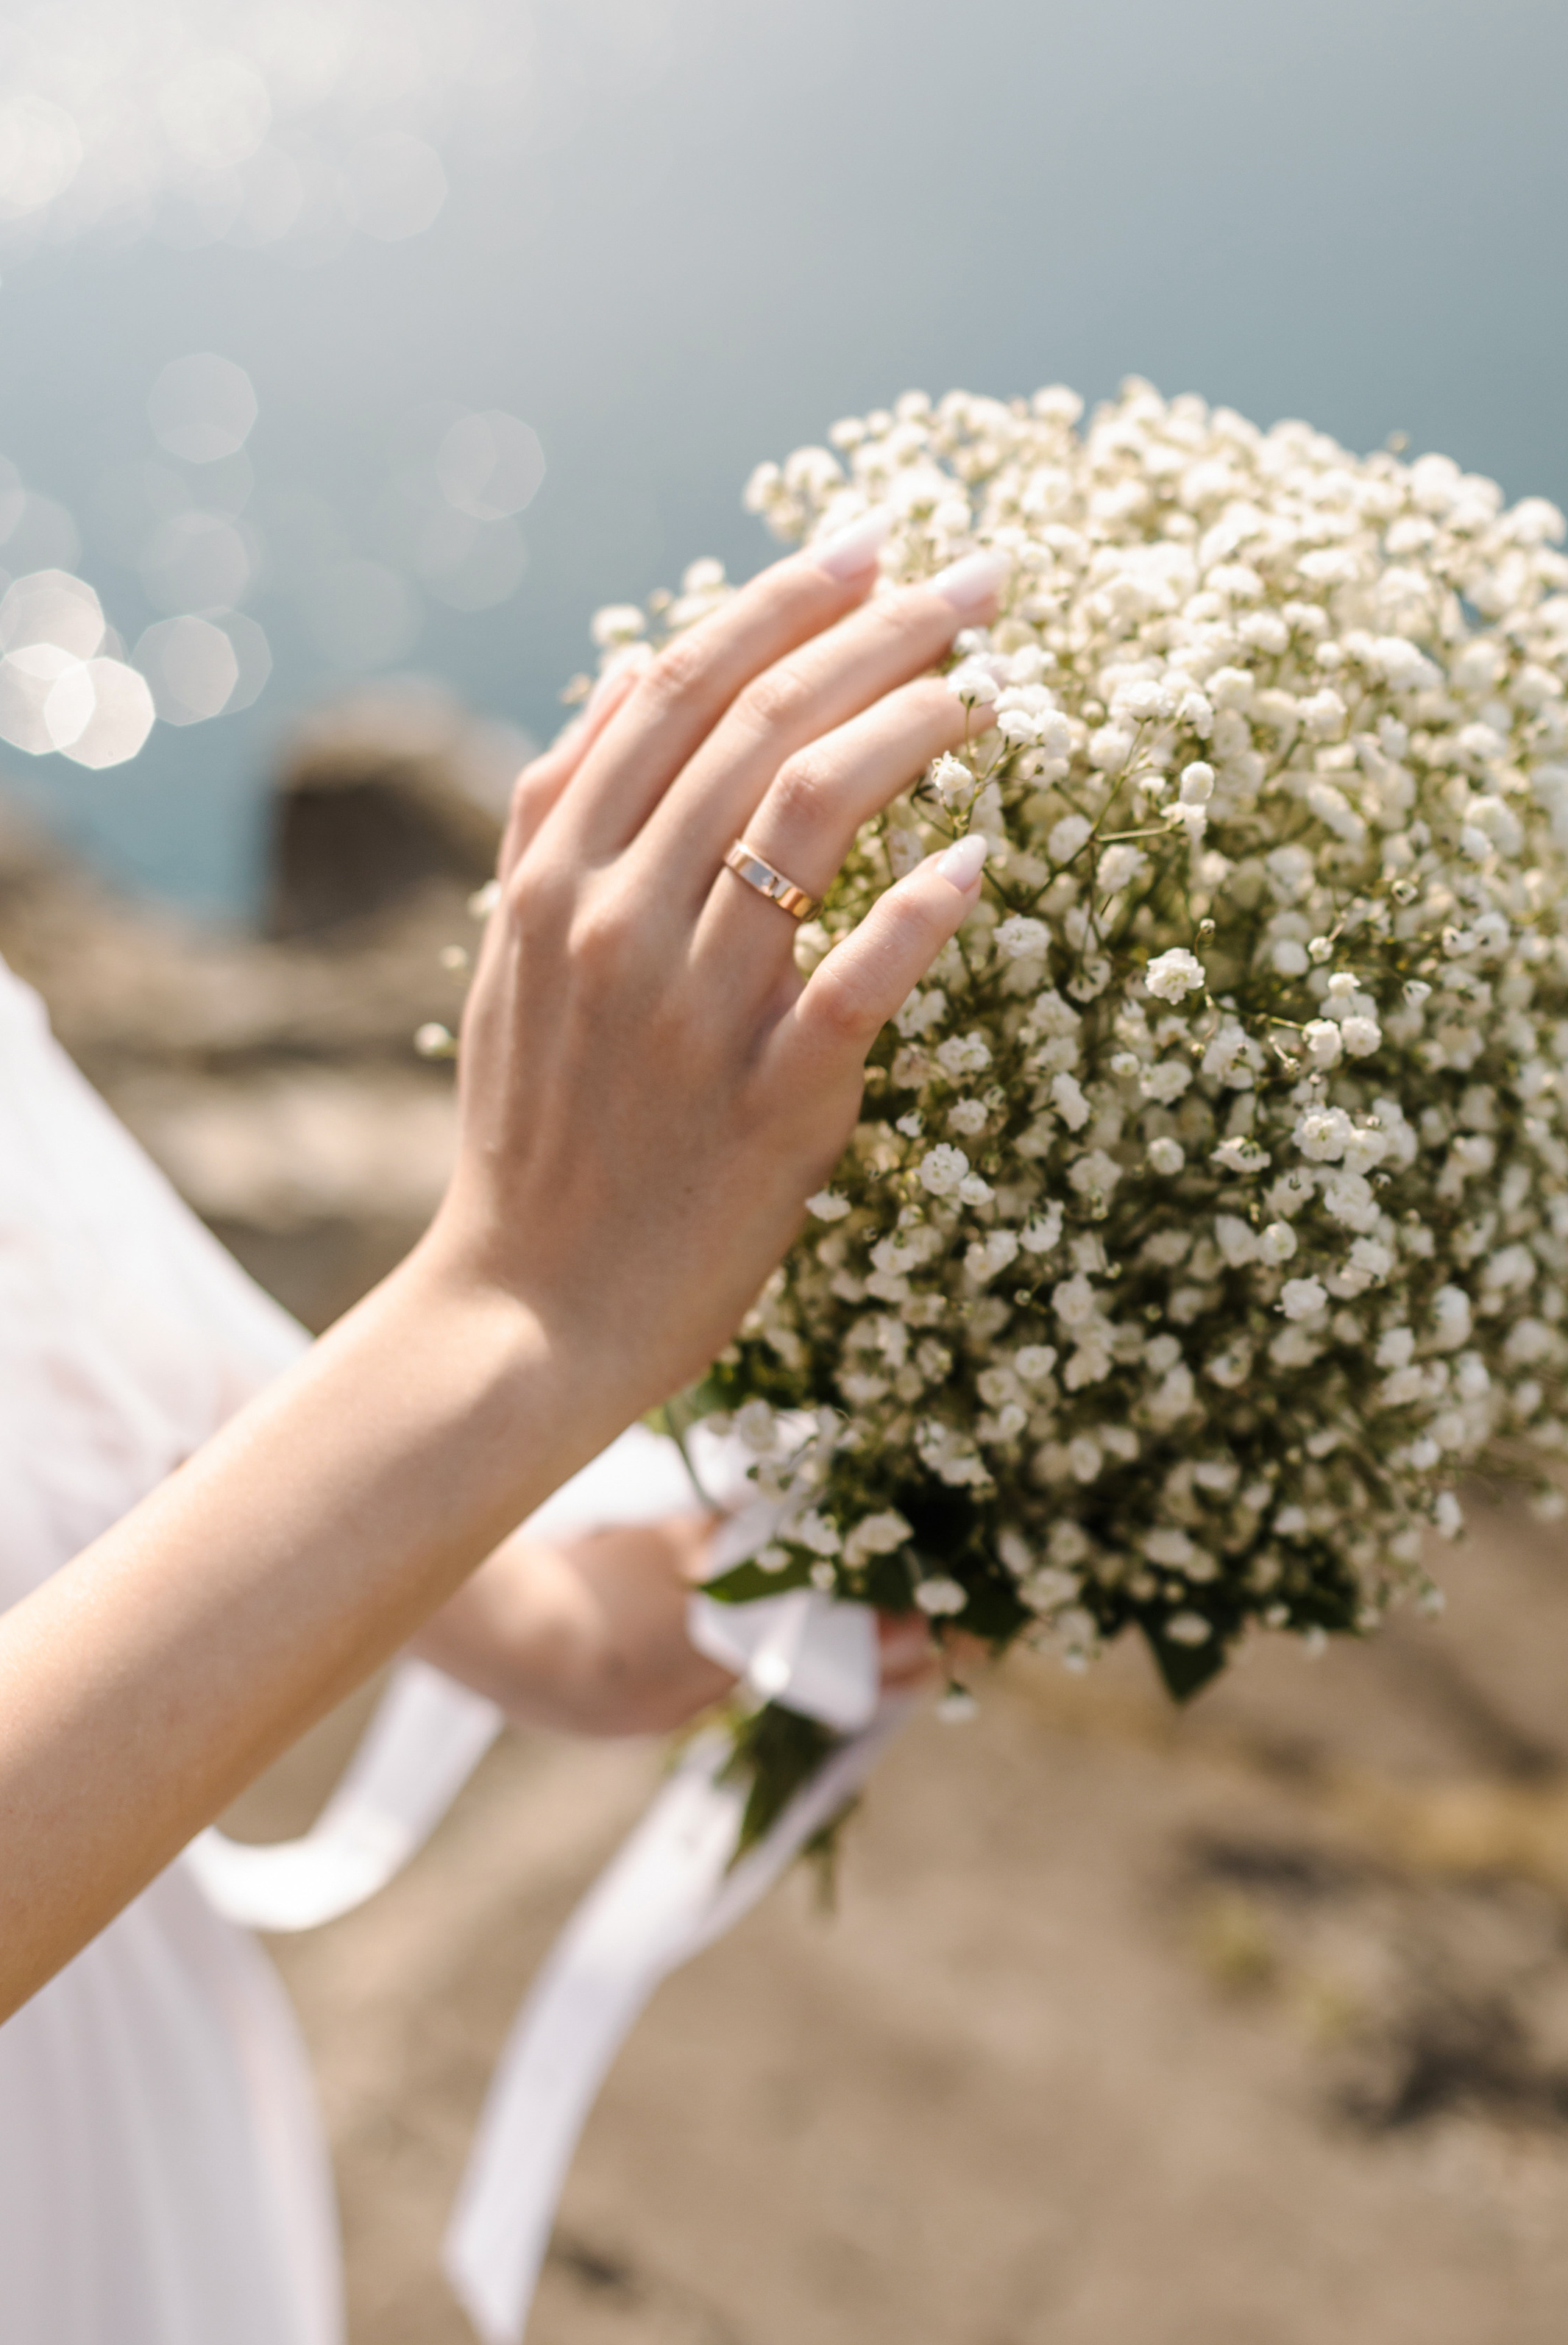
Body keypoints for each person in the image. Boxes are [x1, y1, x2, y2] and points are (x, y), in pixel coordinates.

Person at [0, 517, 999, 2330]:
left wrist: (558, 1618)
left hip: (129, 2144)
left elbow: (94, 1353)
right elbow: (490, 1323)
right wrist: (522, 1311)